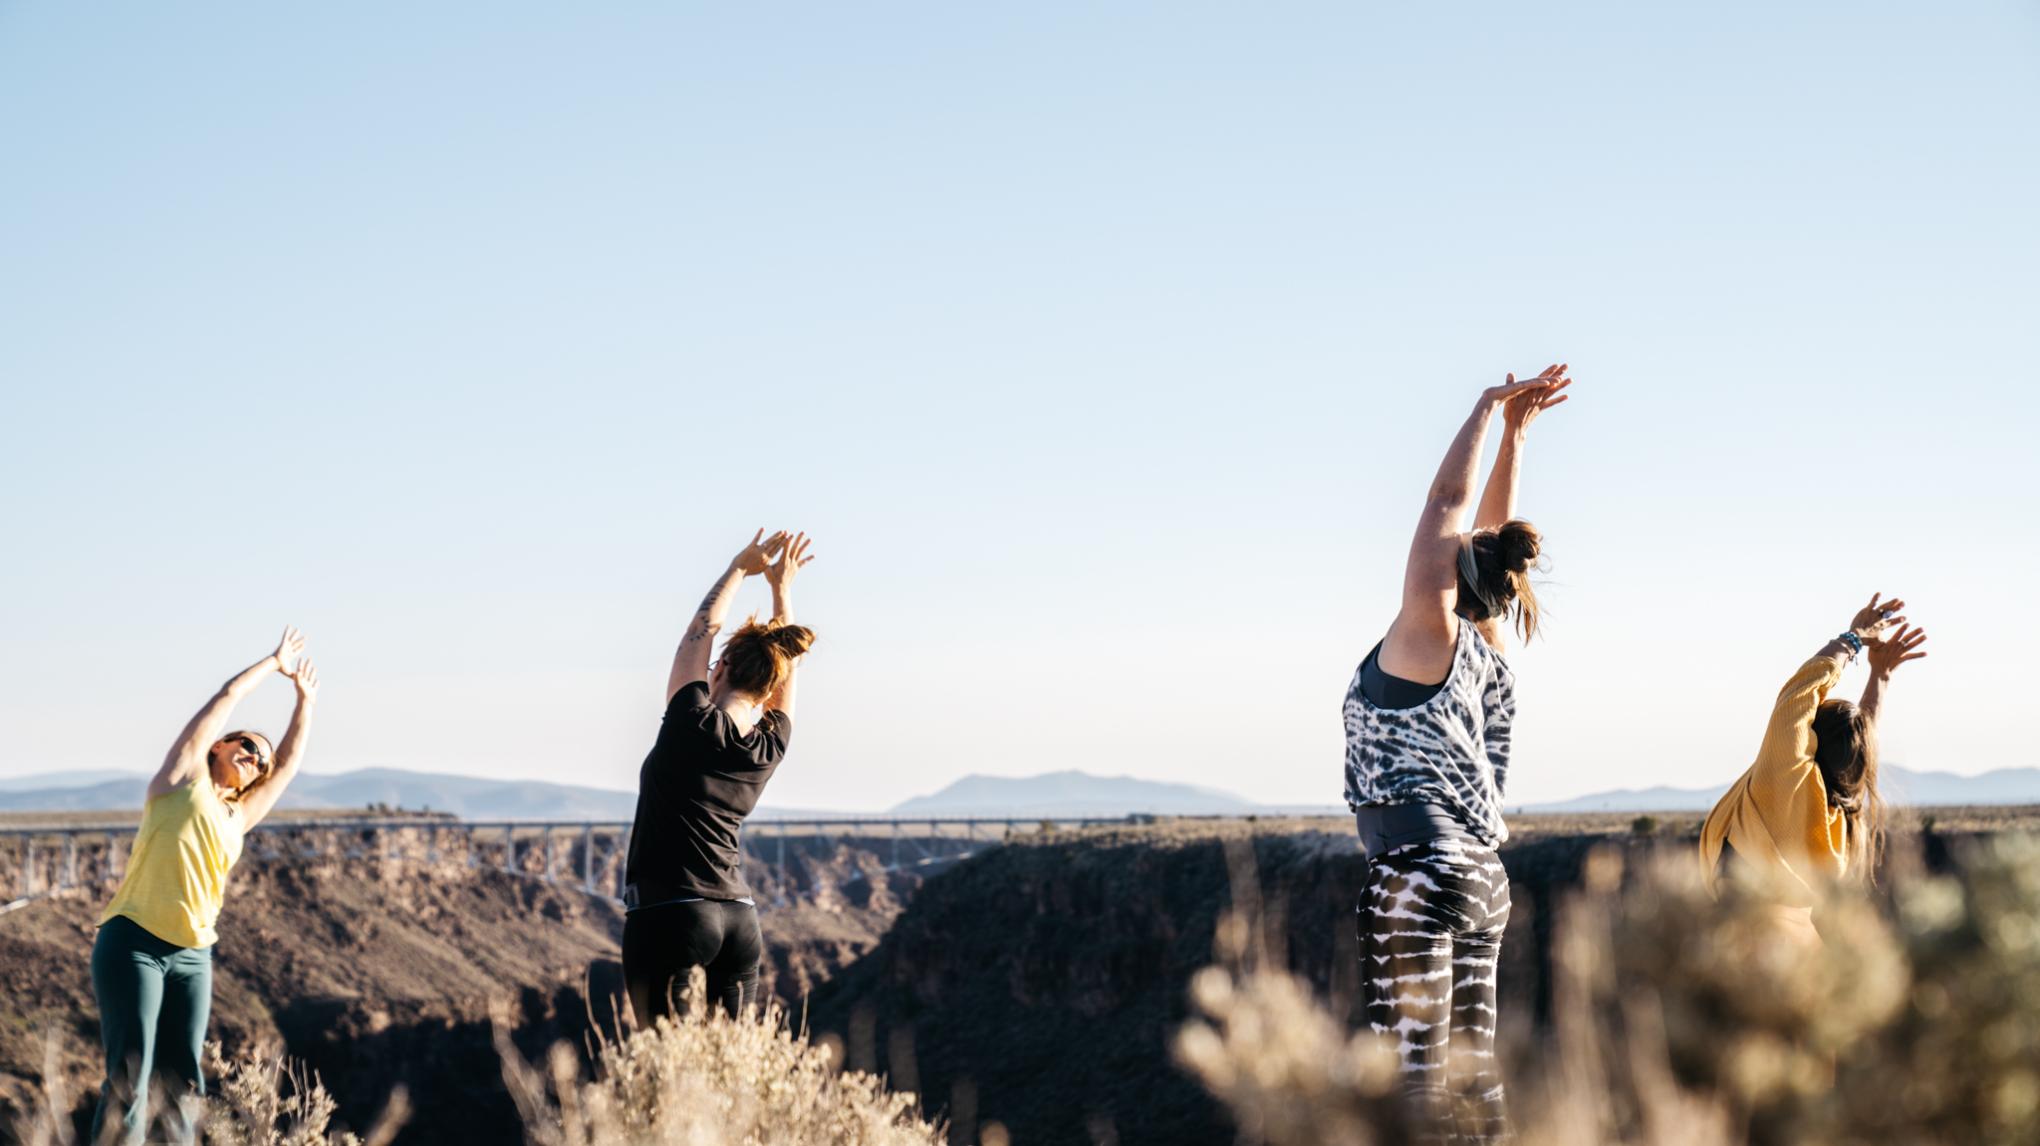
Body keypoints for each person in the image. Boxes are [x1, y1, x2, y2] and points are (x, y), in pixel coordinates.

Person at [1342, 365, 1571, 1145]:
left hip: (1417, 871)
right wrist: (1516, 438)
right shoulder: (1487, 646)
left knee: (1411, 1091)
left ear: (1450, 579)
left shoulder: (1425, 637)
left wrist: (1482, 409)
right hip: (1481, 878)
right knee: (1473, 1078)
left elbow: (1447, 508)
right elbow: (1488, 544)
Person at [93, 627, 320, 1145]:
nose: (256, 759)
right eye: (248, 746)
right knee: (131, 1077)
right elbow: (225, 698)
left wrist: (304, 701)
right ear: (218, 746)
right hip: (134, 943)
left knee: (184, 1081)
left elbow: (285, 767)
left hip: (193, 954)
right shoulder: (178, 783)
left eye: (259, 761)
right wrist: (274, 664)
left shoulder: (237, 815)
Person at [623, 529, 816, 1025]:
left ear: (723, 666)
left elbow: (700, 629)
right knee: (730, 1078)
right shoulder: (768, 746)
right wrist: (782, 591)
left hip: (672, 915)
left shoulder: (692, 721)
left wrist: (738, 568)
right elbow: (784, 670)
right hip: (738, 918)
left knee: (663, 1071)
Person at [1699, 594, 1928, 944]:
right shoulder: (1840, 815)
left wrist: (1852, 639)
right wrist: (1879, 677)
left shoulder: (1787, 778)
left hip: (1747, 956)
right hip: (1805, 960)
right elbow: (1858, 749)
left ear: (1811, 737)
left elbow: (1799, 694)